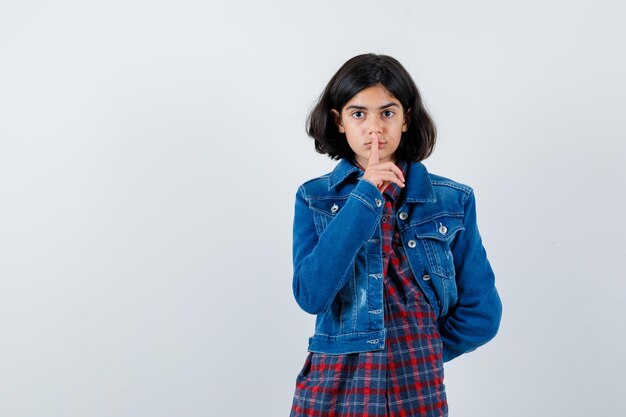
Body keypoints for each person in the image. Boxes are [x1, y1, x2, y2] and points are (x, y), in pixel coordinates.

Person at [289, 53, 502, 417]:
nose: (374, 128)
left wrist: (424, 348)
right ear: (339, 121)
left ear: (406, 119)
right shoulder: (314, 199)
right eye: (359, 114)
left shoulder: (453, 200)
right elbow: (311, 295)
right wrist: (365, 196)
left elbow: (481, 313)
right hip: (334, 384)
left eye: (387, 113)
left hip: (417, 388)